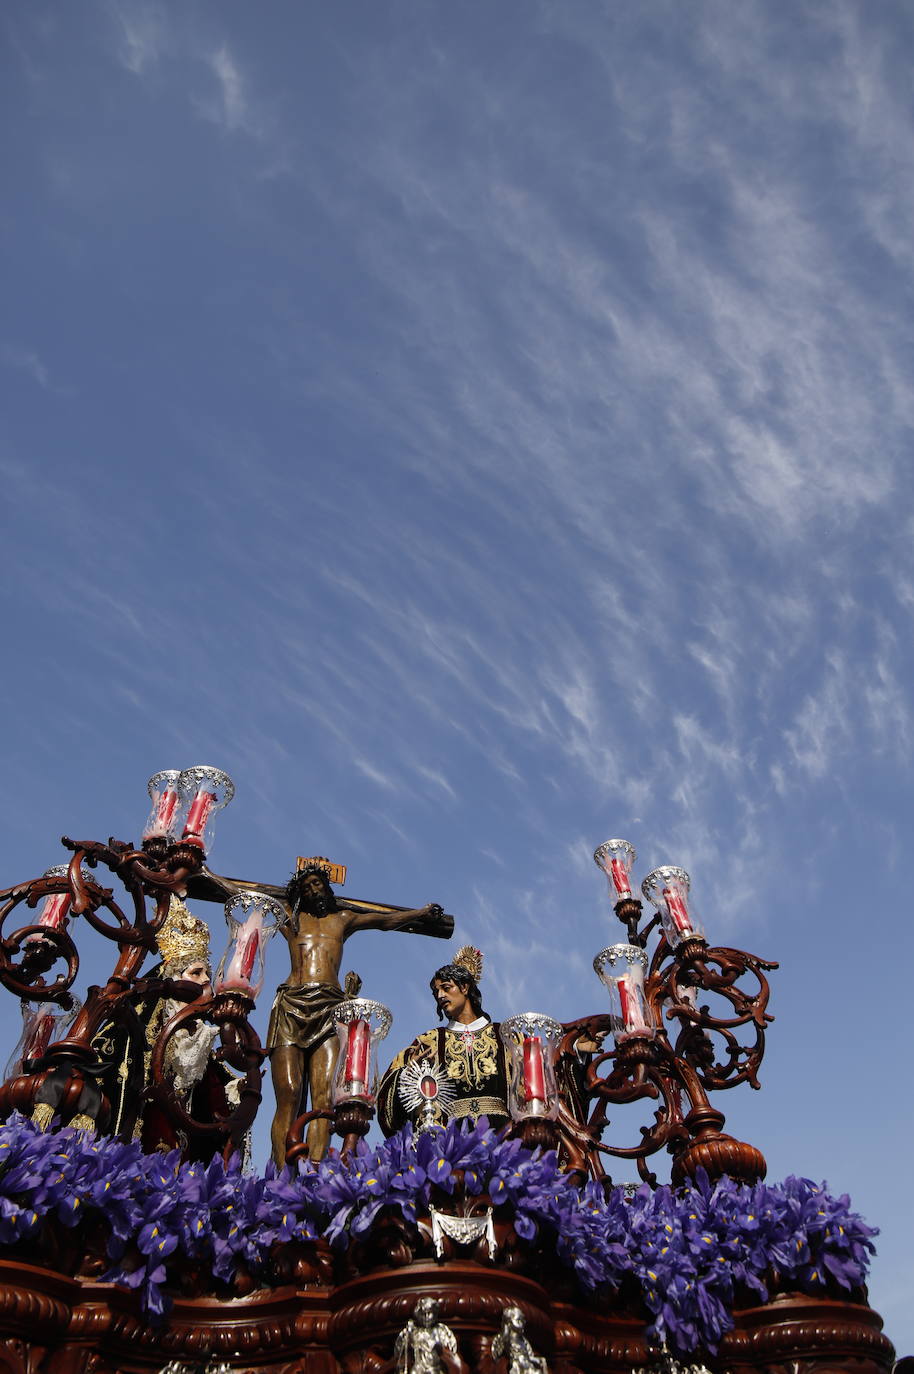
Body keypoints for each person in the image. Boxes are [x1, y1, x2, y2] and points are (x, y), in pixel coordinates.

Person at [268, 862, 447, 1163]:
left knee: (324, 1097)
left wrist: (419, 914)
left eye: (318, 884)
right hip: (292, 1005)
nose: (314, 890)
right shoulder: (292, 918)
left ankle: (314, 1172)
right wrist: (209, 877)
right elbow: (247, 893)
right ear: (300, 892)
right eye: (307, 886)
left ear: (327, 887)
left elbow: (383, 921)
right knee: (288, 1093)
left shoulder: (343, 919)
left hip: (329, 1007)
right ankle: (280, 1172)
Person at [378, 946, 510, 1135]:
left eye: (446, 988)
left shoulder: (505, 1036)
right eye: (436, 992)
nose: (440, 996)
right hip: (449, 1141)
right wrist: (406, 1074)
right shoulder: (428, 1042)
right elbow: (388, 1096)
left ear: (464, 988)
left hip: (503, 1137)